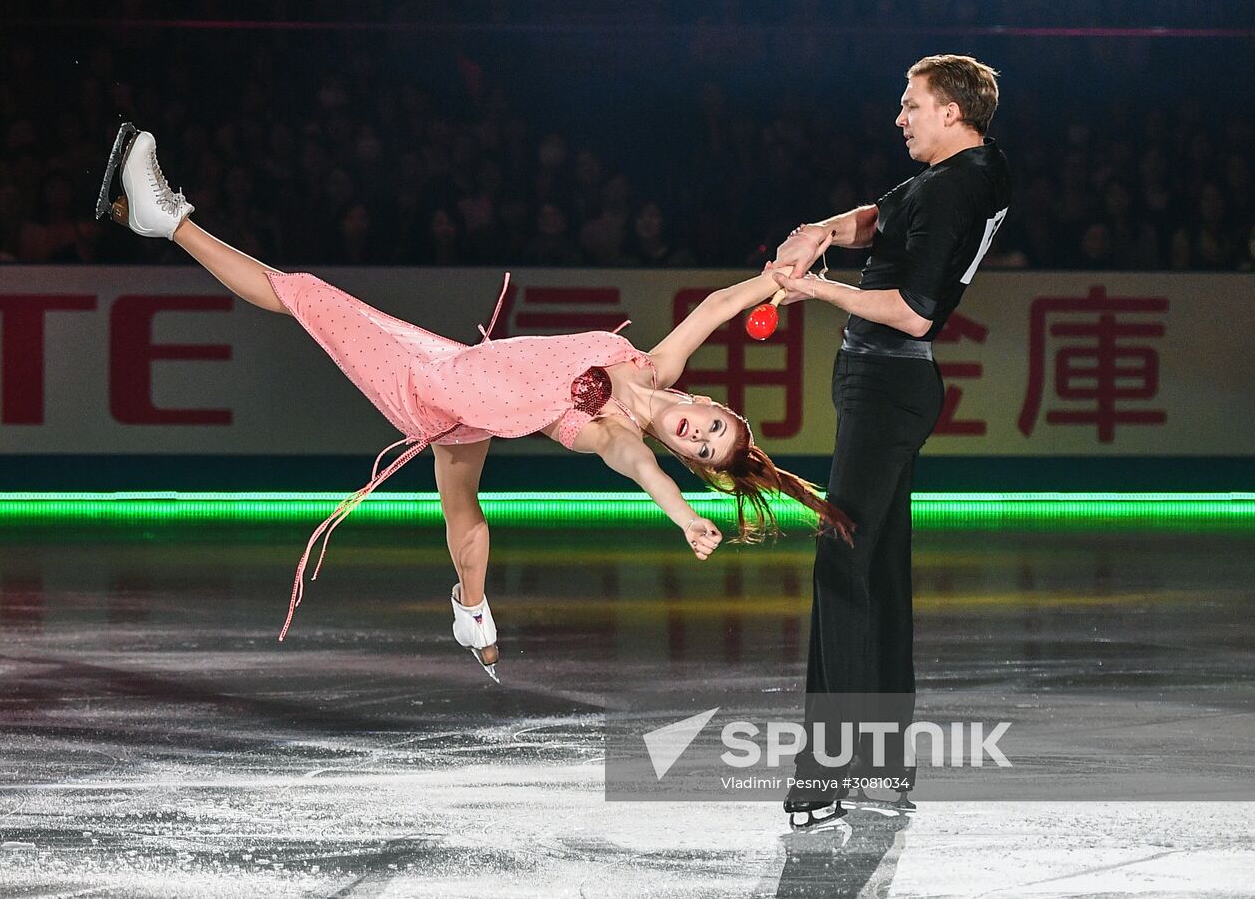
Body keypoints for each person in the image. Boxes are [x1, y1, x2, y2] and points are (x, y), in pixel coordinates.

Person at [95, 123, 853, 682]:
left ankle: (169, 218)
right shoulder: (652, 362)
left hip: (428, 388)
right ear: (711, 400)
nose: (698, 434)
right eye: (715, 425)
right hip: (460, 378)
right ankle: (472, 610)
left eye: (700, 451)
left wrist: (682, 512)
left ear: (687, 458)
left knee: (305, 295)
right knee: (470, 529)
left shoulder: (617, 428)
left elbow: (633, 464)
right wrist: (778, 281)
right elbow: (717, 305)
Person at [769, 55, 1011, 828]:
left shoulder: (954, 187)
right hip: (888, 387)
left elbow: (910, 310)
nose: (899, 118)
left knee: (842, 560)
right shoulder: (972, 169)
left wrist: (814, 286)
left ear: (951, 112)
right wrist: (819, 232)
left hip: (887, 383)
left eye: (911, 105)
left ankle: (827, 769)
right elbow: (880, 216)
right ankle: (881, 761)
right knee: (877, 567)